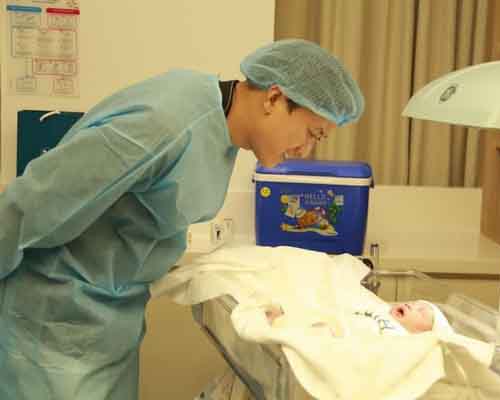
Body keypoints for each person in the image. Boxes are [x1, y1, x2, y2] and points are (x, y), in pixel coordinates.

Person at [0, 39, 364, 400]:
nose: (305, 150)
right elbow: (30, 206)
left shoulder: (219, 130)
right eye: (312, 133)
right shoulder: (167, 122)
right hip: (50, 330)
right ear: (273, 98)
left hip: (106, 329)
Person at [265, 300, 452, 336]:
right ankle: (284, 316)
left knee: (319, 332)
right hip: (341, 323)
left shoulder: (402, 337)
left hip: (345, 339)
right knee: (315, 314)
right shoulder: (382, 311)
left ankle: (282, 327)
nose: (412, 306)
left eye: (421, 312)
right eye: (414, 303)